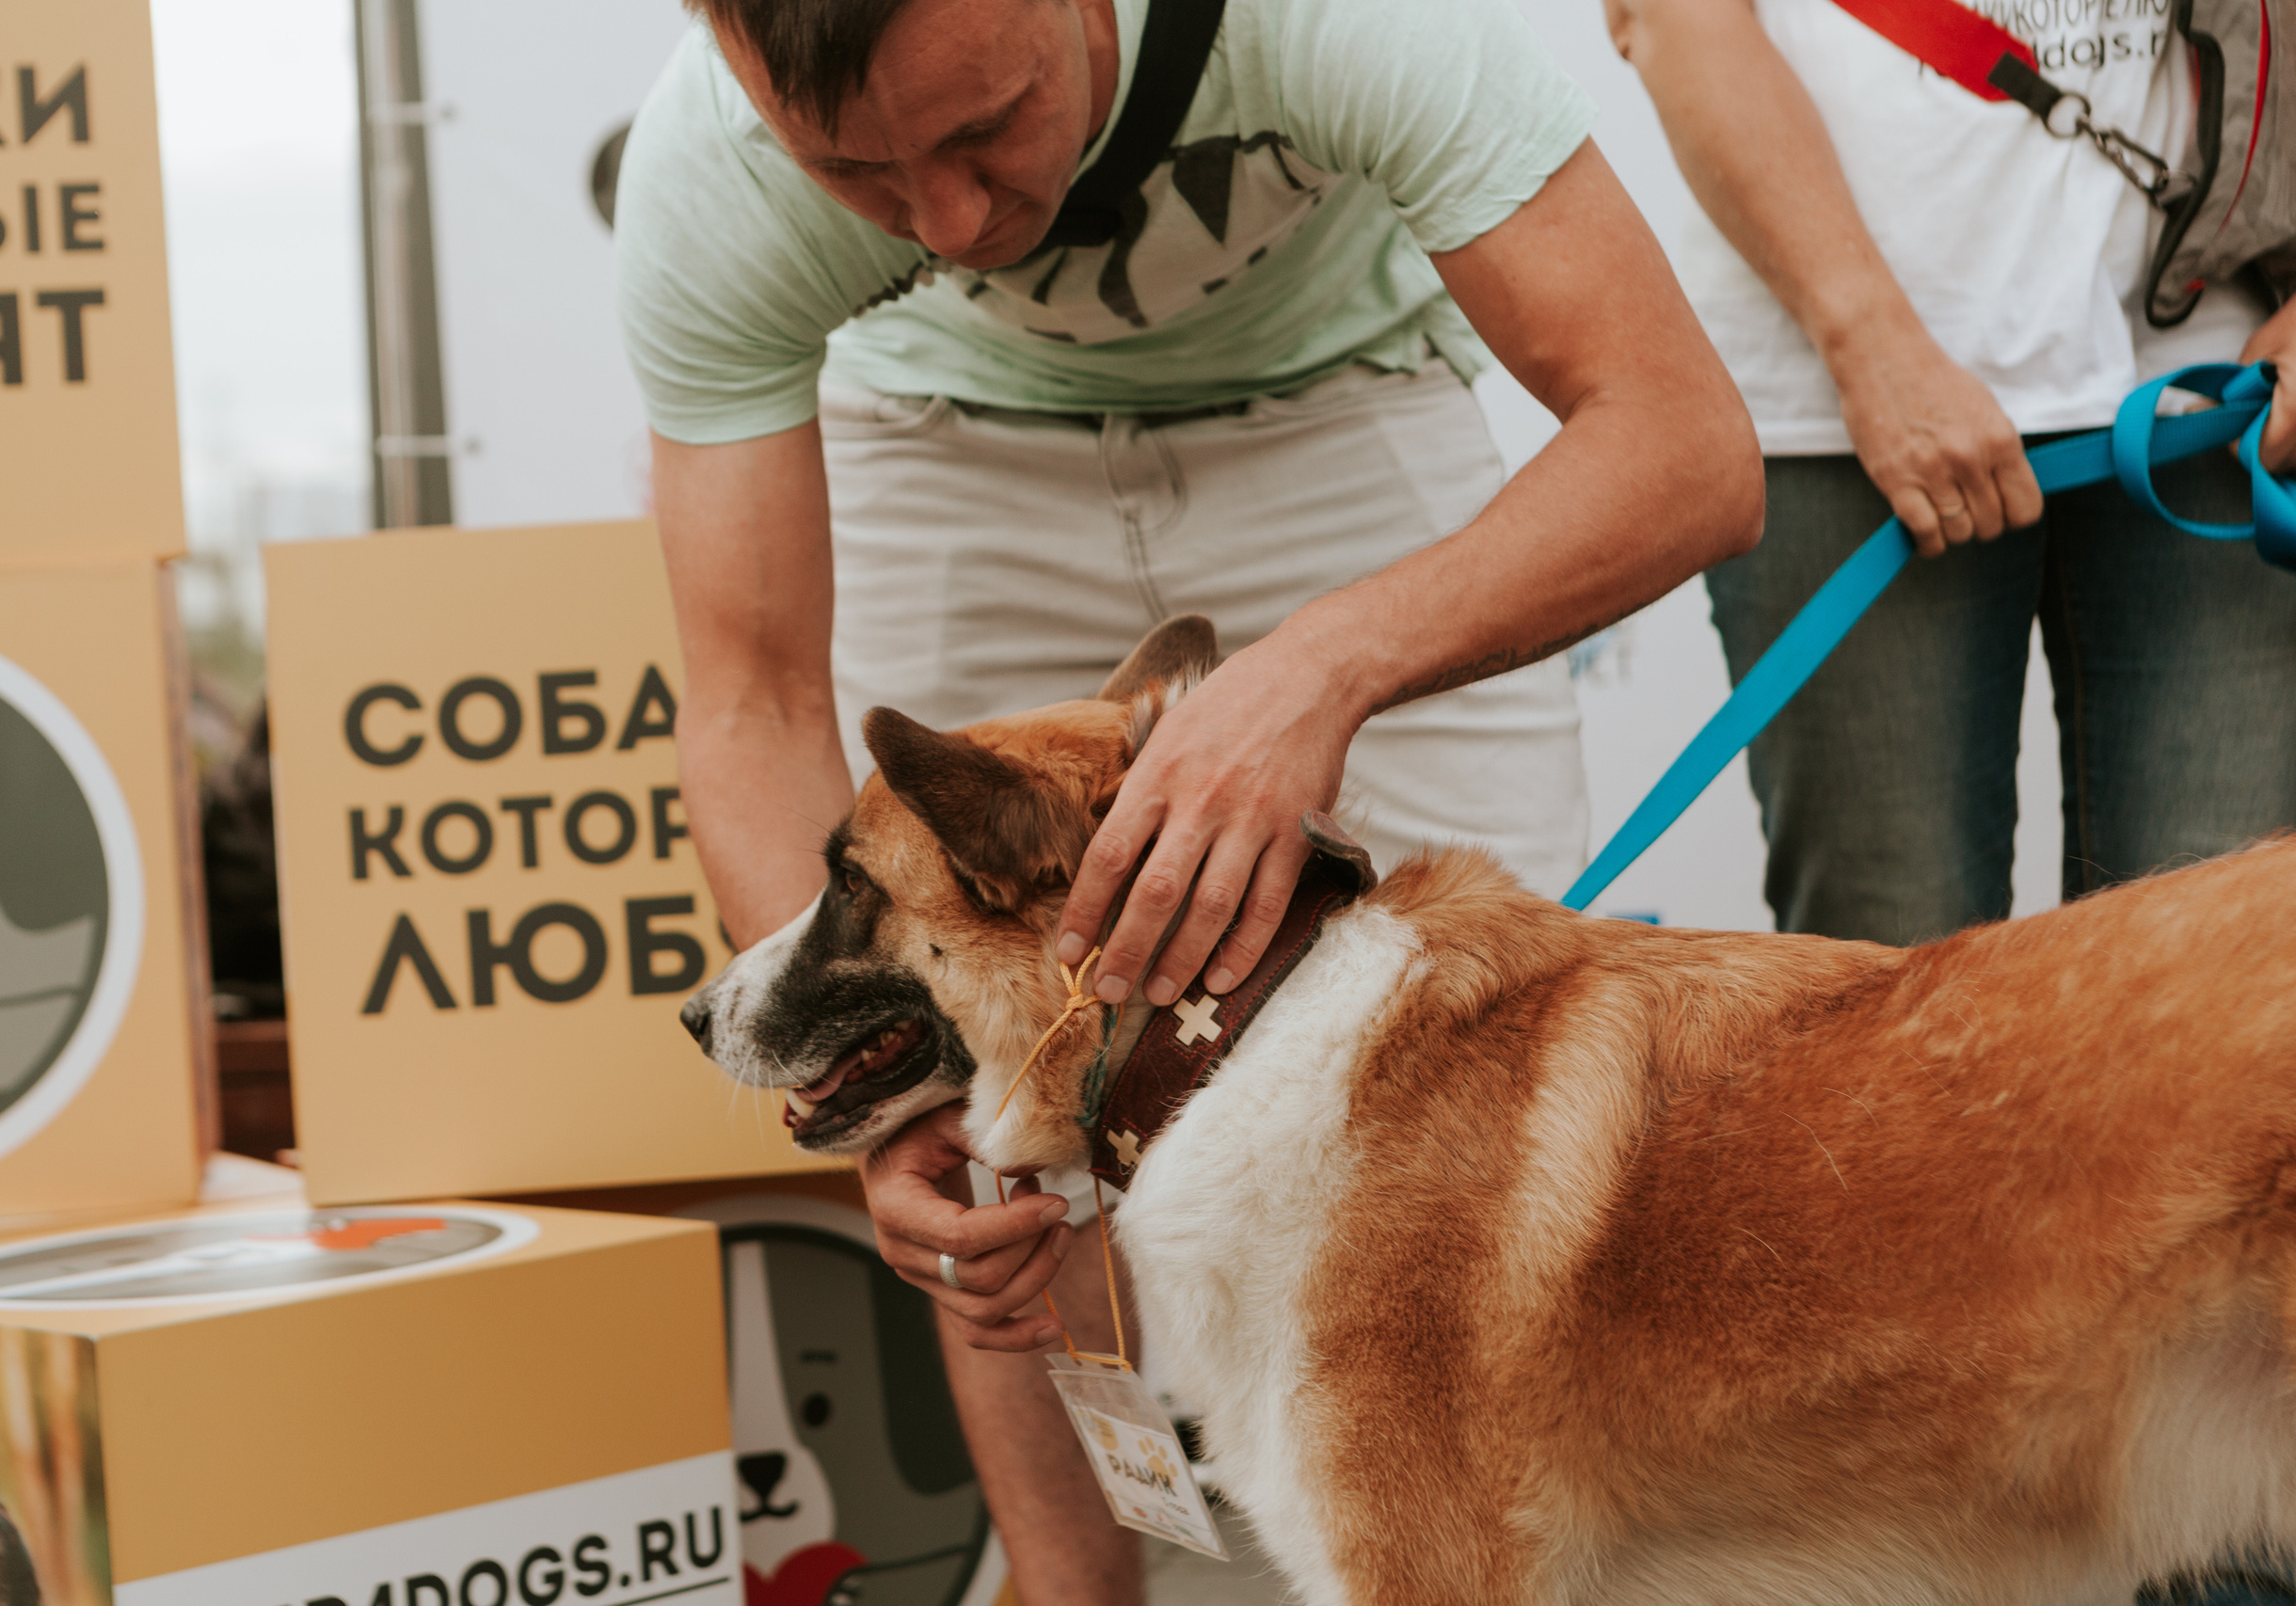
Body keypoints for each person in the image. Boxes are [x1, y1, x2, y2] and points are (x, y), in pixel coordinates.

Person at [614, 0, 1762, 1596]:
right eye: (858, 173)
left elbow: (1687, 446)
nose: (951, 221)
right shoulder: (711, 168)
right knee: (993, 1137)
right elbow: (750, 701)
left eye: (982, 126)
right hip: (947, 442)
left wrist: (1319, 670)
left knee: (1473, 1084)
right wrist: (897, 1101)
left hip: (1332, 402)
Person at [1608, 0, 2296, 949]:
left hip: (2214, 378)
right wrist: (1865, 341)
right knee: (1887, 990)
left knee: (2214, 981)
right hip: (1834, 398)